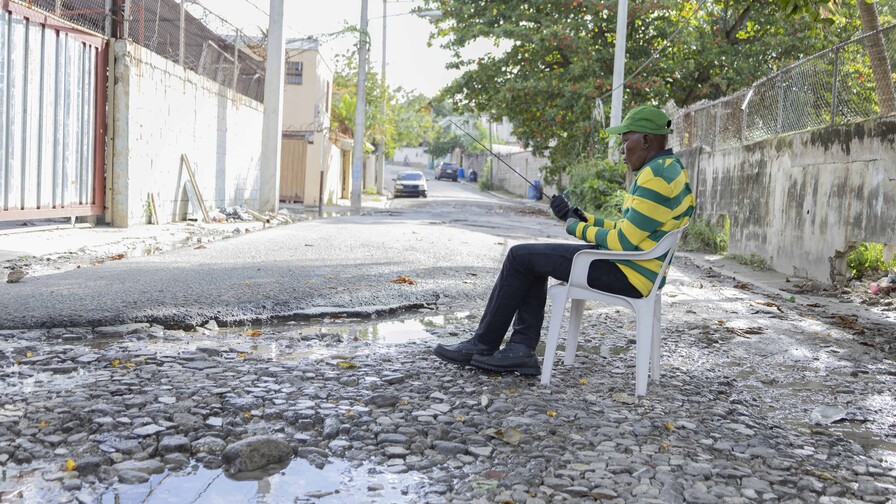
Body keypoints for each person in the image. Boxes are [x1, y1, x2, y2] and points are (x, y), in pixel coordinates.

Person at [433, 106, 695, 374]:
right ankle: (520, 349)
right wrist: (583, 218)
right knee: (531, 260)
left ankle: (486, 343)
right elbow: (631, 229)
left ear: (647, 140)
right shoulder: (669, 169)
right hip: (635, 269)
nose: (622, 150)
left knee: (518, 257)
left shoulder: (656, 176)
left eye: (626, 140)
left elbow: (625, 241)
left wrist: (575, 228)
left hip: (627, 273)